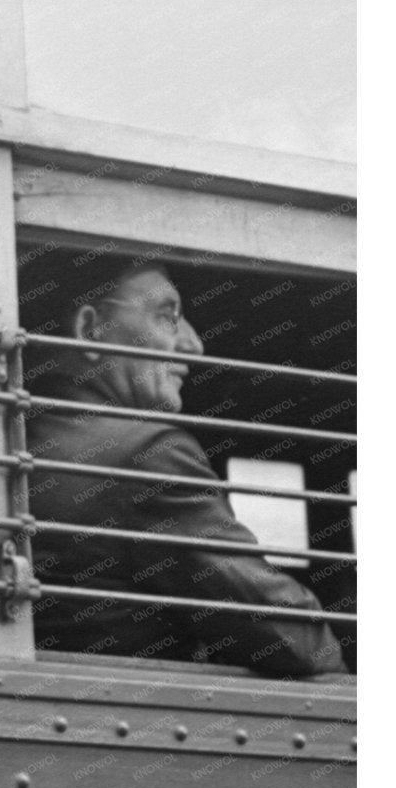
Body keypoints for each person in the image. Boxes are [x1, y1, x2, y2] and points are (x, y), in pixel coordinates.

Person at [24, 258, 342, 676]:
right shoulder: (147, 453)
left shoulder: (6, 440)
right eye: (168, 316)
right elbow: (297, 643)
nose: (194, 345)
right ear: (91, 329)